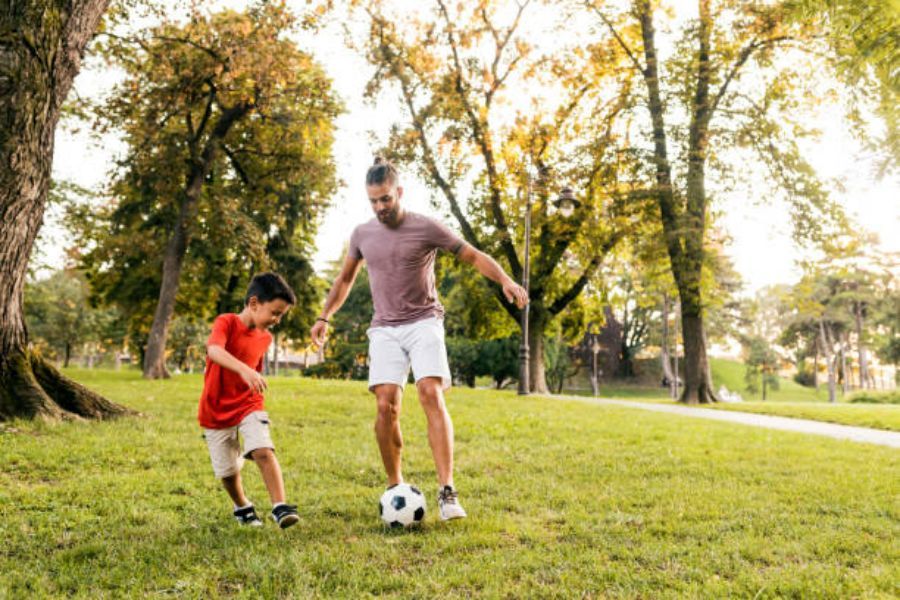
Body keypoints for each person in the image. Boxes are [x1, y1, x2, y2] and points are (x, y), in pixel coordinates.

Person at [310, 157, 528, 521]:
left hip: (424, 320)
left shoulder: (425, 227)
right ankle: (395, 485)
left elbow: (472, 255)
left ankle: (447, 491)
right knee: (385, 406)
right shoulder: (362, 234)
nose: (380, 207)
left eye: (385, 199)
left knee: (429, 391)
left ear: (399, 192)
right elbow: (345, 279)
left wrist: (505, 280)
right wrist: (324, 315)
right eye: (374, 201)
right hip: (384, 327)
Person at [198, 272, 300, 529]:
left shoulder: (266, 338)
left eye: (281, 315)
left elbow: (255, 370)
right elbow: (214, 350)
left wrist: (252, 377)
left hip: (248, 404)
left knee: (263, 450)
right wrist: (243, 369)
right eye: (275, 313)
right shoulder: (227, 322)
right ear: (254, 303)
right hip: (215, 409)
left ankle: (280, 506)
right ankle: (242, 506)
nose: (277, 320)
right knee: (228, 472)